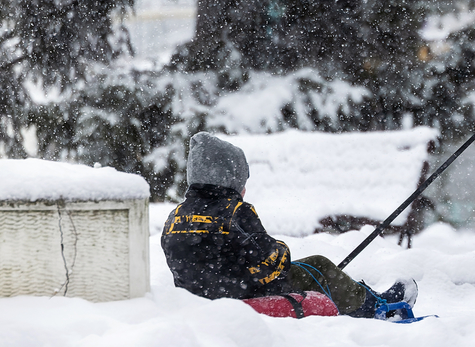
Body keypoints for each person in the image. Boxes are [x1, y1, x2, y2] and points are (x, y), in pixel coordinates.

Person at [161, 132, 417, 318]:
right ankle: (375, 306)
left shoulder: (175, 216)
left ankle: (359, 297)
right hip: (244, 294)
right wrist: (282, 251)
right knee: (318, 266)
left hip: (201, 297)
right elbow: (272, 261)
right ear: (229, 178)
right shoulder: (236, 212)